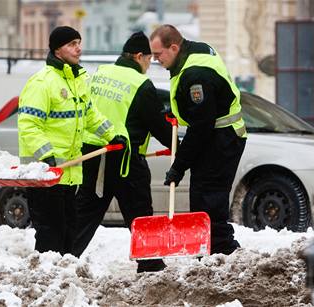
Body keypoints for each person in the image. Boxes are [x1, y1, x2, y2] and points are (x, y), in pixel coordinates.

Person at [72, 31, 173, 273]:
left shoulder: (101, 74)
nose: (149, 65)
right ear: (139, 56)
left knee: (84, 213)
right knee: (140, 214)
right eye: (149, 60)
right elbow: (157, 125)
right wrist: (176, 140)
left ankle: (64, 256)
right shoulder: (141, 84)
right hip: (126, 160)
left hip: (94, 156)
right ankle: (151, 265)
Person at [18, 26, 124, 255]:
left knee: (69, 234)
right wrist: (46, 156)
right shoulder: (42, 83)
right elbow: (29, 125)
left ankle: (63, 281)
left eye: (79, 42)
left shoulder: (77, 81)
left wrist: (111, 135)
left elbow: (90, 115)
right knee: (50, 235)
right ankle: (46, 282)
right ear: (57, 50)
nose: (78, 48)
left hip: (70, 175)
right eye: (71, 44)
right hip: (46, 176)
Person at [149, 25, 247, 255]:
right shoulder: (196, 51)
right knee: (202, 196)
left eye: (158, 54)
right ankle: (208, 251)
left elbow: (201, 125)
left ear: (174, 47)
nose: (155, 60)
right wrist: (180, 110)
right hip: (216, 135)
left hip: (221, 138)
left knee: (210, 197)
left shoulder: (196, 75)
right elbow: (203, 106)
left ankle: (223, 252)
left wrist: (178, 167)